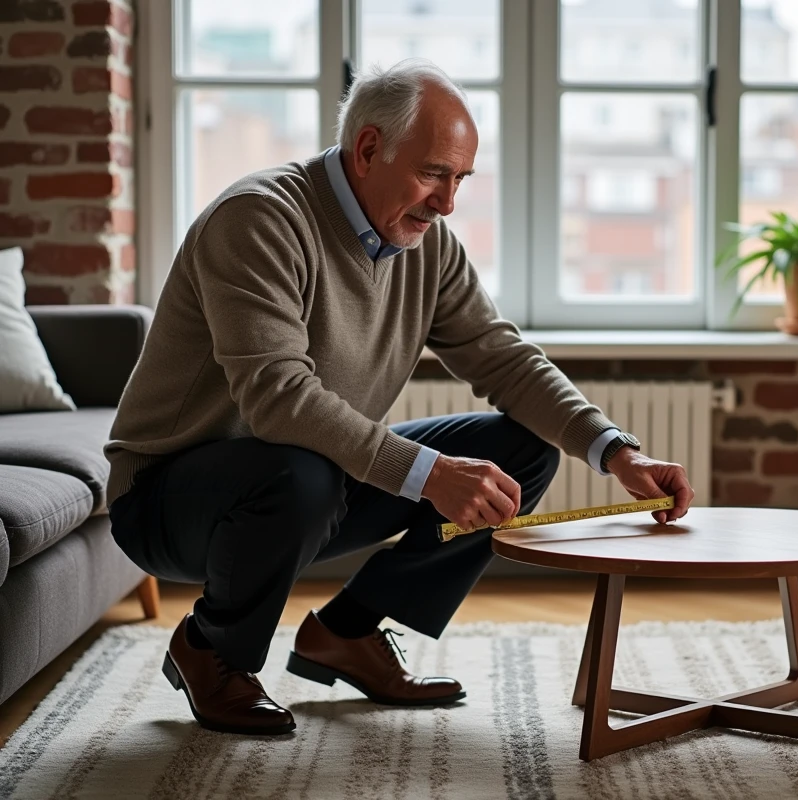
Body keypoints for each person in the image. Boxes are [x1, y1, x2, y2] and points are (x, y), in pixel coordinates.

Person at [105, 58, 695, 736]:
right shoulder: (260, 218)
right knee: (303, 466)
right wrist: (430, 474)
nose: (447, 202)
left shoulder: (426, 242)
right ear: (367, 149)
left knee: (521, 450)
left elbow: (502, 356)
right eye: (434, 174)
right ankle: (212, 650)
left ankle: (348, 632)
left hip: (308, 482)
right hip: (167, 500)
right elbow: (277, 401)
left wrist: (618, 453)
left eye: (460, 180)